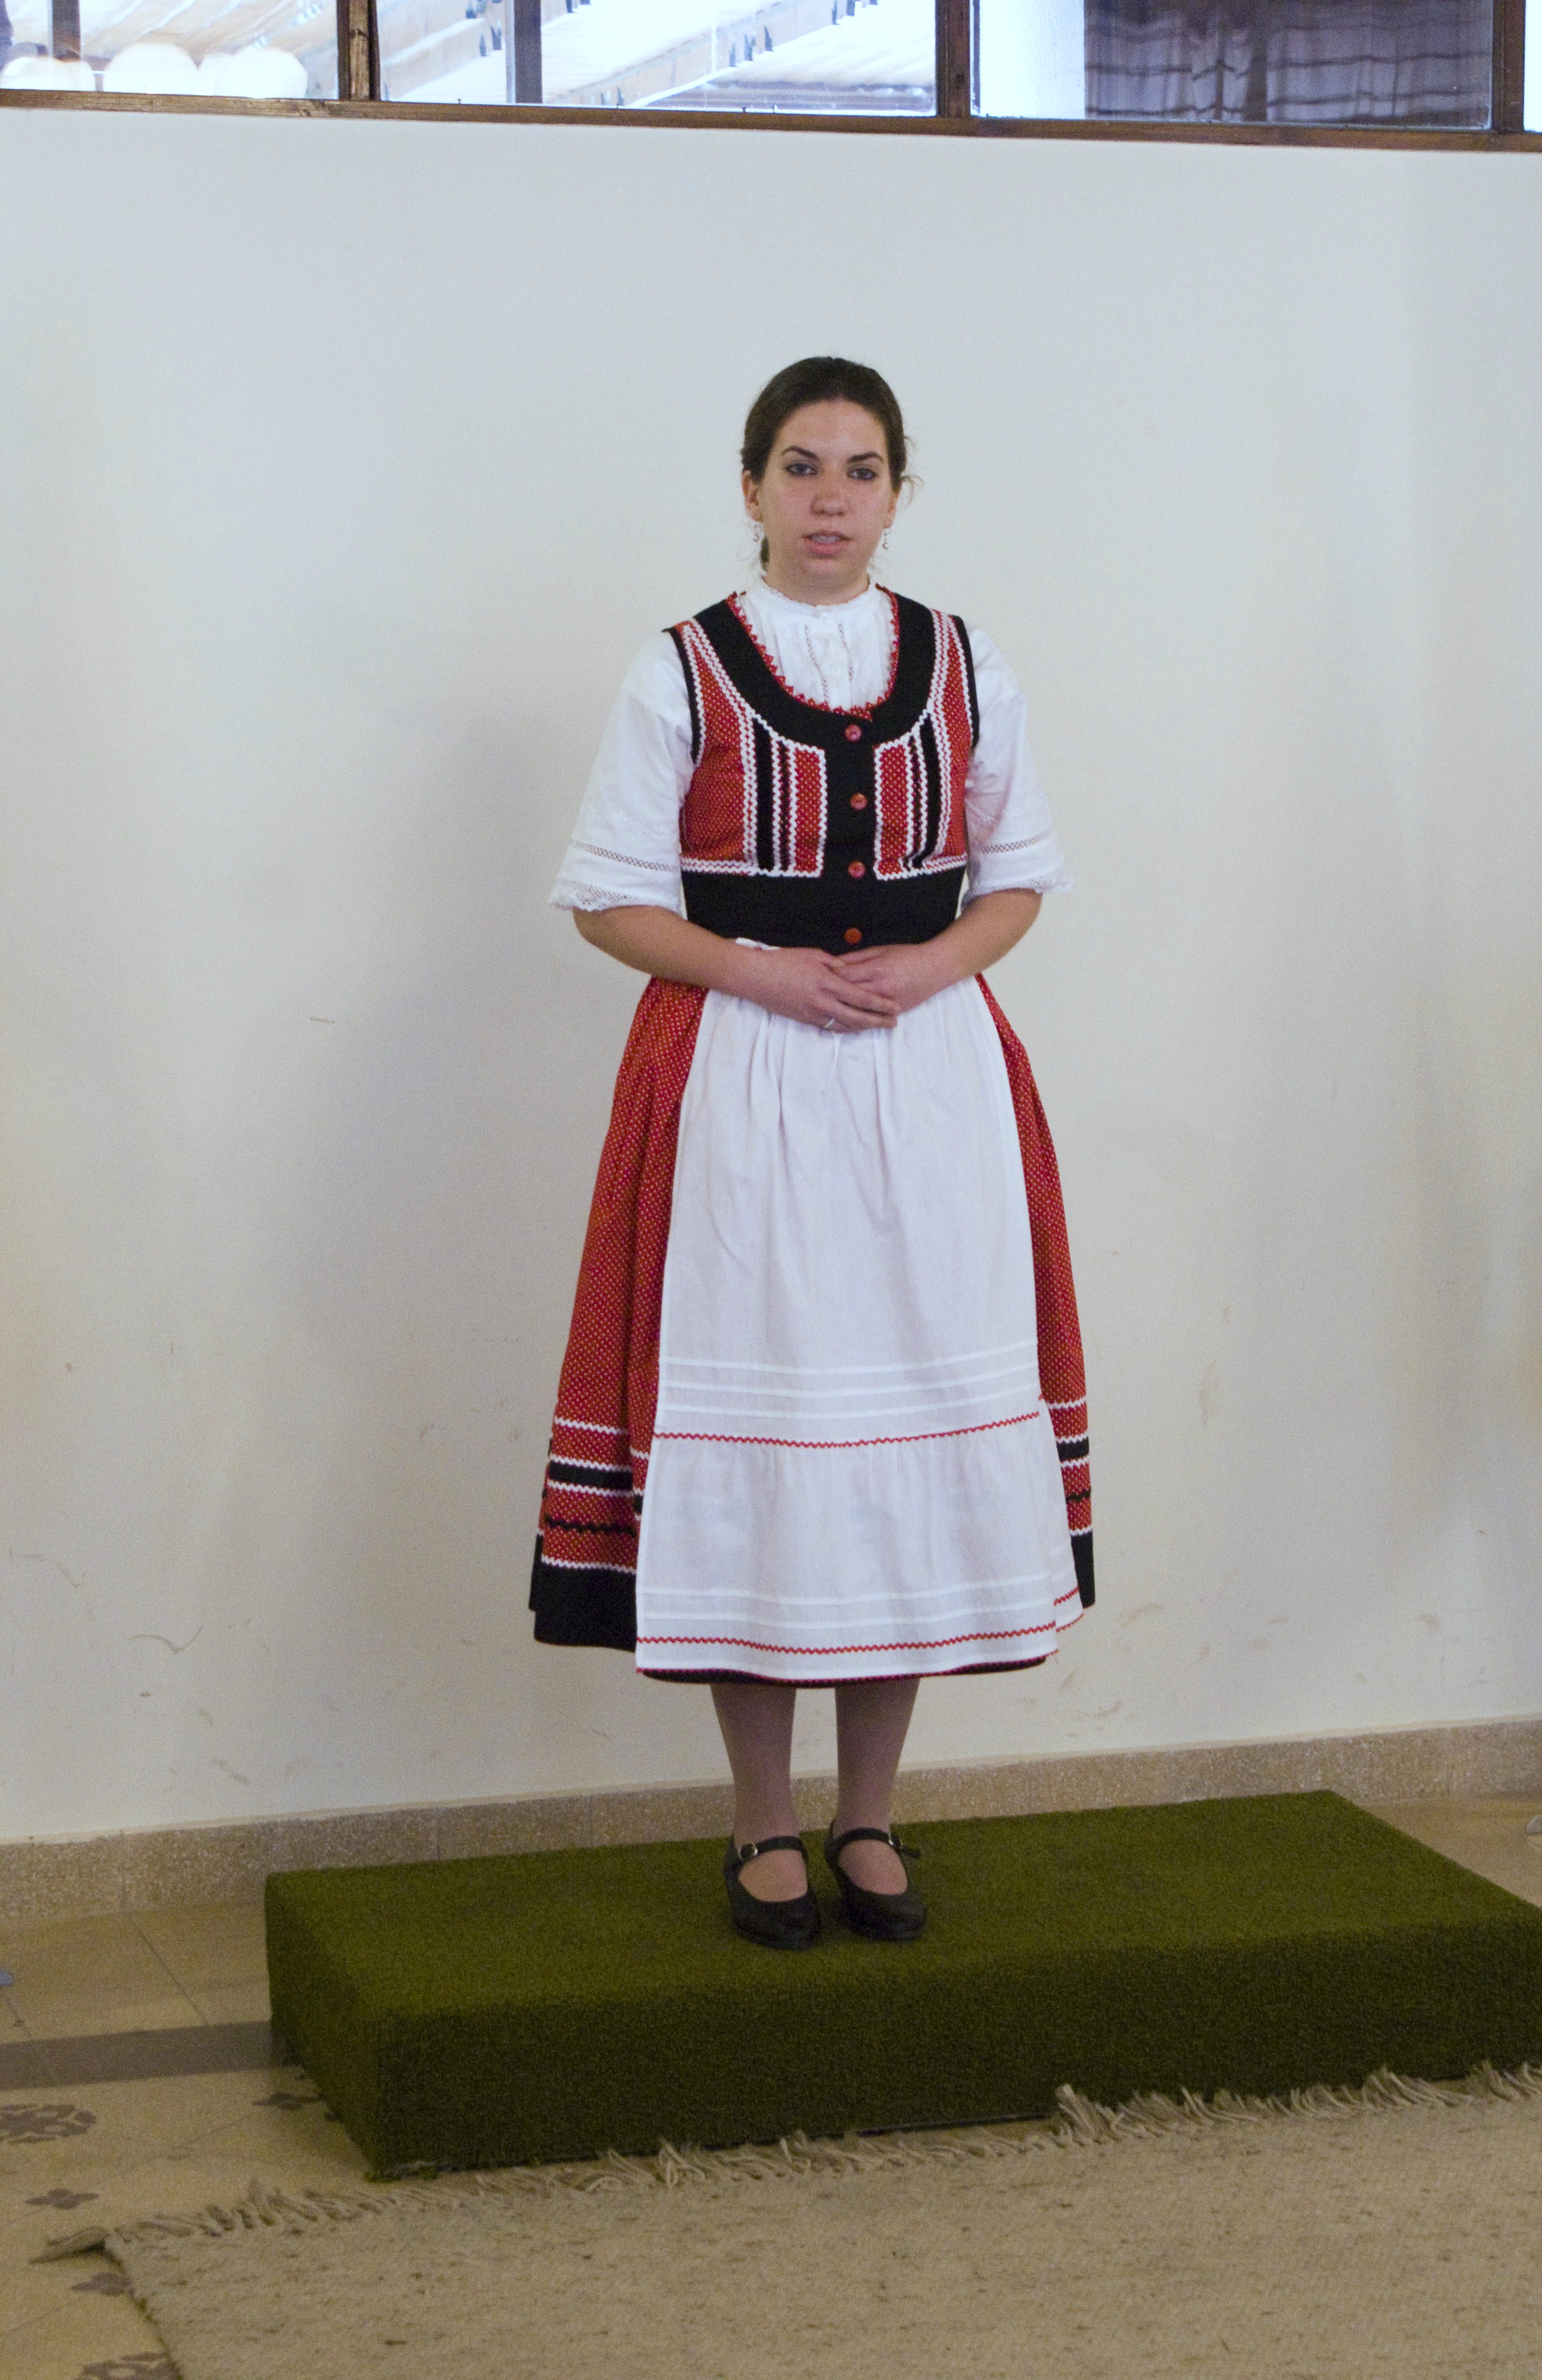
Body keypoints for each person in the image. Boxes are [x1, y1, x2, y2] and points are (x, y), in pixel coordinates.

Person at [532, 357, 1093, 1950]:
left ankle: (871, 1815)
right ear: (752, 486)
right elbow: (609, 899)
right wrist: (764, 974)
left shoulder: (966, 661)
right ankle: (761, 1821)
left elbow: (1017, 875)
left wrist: (935, 966)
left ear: (899, 493)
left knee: (904, 1426)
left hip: (929, 1081)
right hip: (743, 1075)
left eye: (860, 470)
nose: (830, 497)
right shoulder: (681, 668)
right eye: (801, 466)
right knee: (768, 1432)